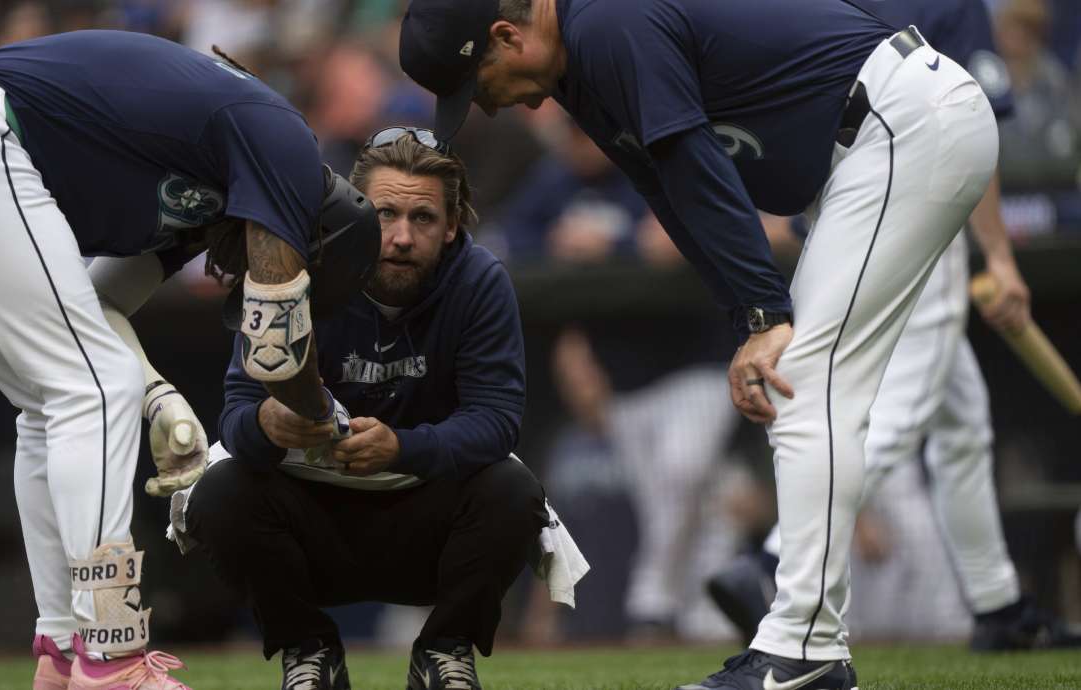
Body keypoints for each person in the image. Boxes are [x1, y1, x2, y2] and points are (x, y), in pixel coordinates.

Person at [399, 1, 1000, 688]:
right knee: (813, 380)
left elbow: (692, 163)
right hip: (871, 141)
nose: (495, 108)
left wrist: (768, 313)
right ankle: (806, 646)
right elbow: (666, 188)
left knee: (803, 381)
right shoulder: (578, 60)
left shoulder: (604, 26)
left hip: (900, 122)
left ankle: (803, 649)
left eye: (482, 85)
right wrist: (752, 315)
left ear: (508, 36)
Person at [0, 30, 379, 690]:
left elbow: (99, 309)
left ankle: (63, 651)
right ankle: (113, 660)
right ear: (315, 237)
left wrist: (153, 393)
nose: (238, 275)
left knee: (52, 400)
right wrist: (324, 421)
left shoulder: (209, 197)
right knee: (92, 388)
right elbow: (279, 345)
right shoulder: (286, 145)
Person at [705, 0, 1081, 654]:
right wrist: (997, 254)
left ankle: (998, 606)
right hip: (916, 196)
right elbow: (973, 117)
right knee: (903, 411)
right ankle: (770, 561)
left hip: (840, 199)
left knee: (962, 416)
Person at [180, 129, 548, 690]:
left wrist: (404, 447)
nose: (401, 236)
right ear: (353, 213)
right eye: (384, 214)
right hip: (311, 516)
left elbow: (497, 421)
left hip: (425, 517)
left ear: (451, 226)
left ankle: (445, 651)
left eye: (423, 218)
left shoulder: (479, 281)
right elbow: (235, 418)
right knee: (219, 493)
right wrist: (268, 424)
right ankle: (308, 651)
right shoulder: (290, 274)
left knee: (515, 492)